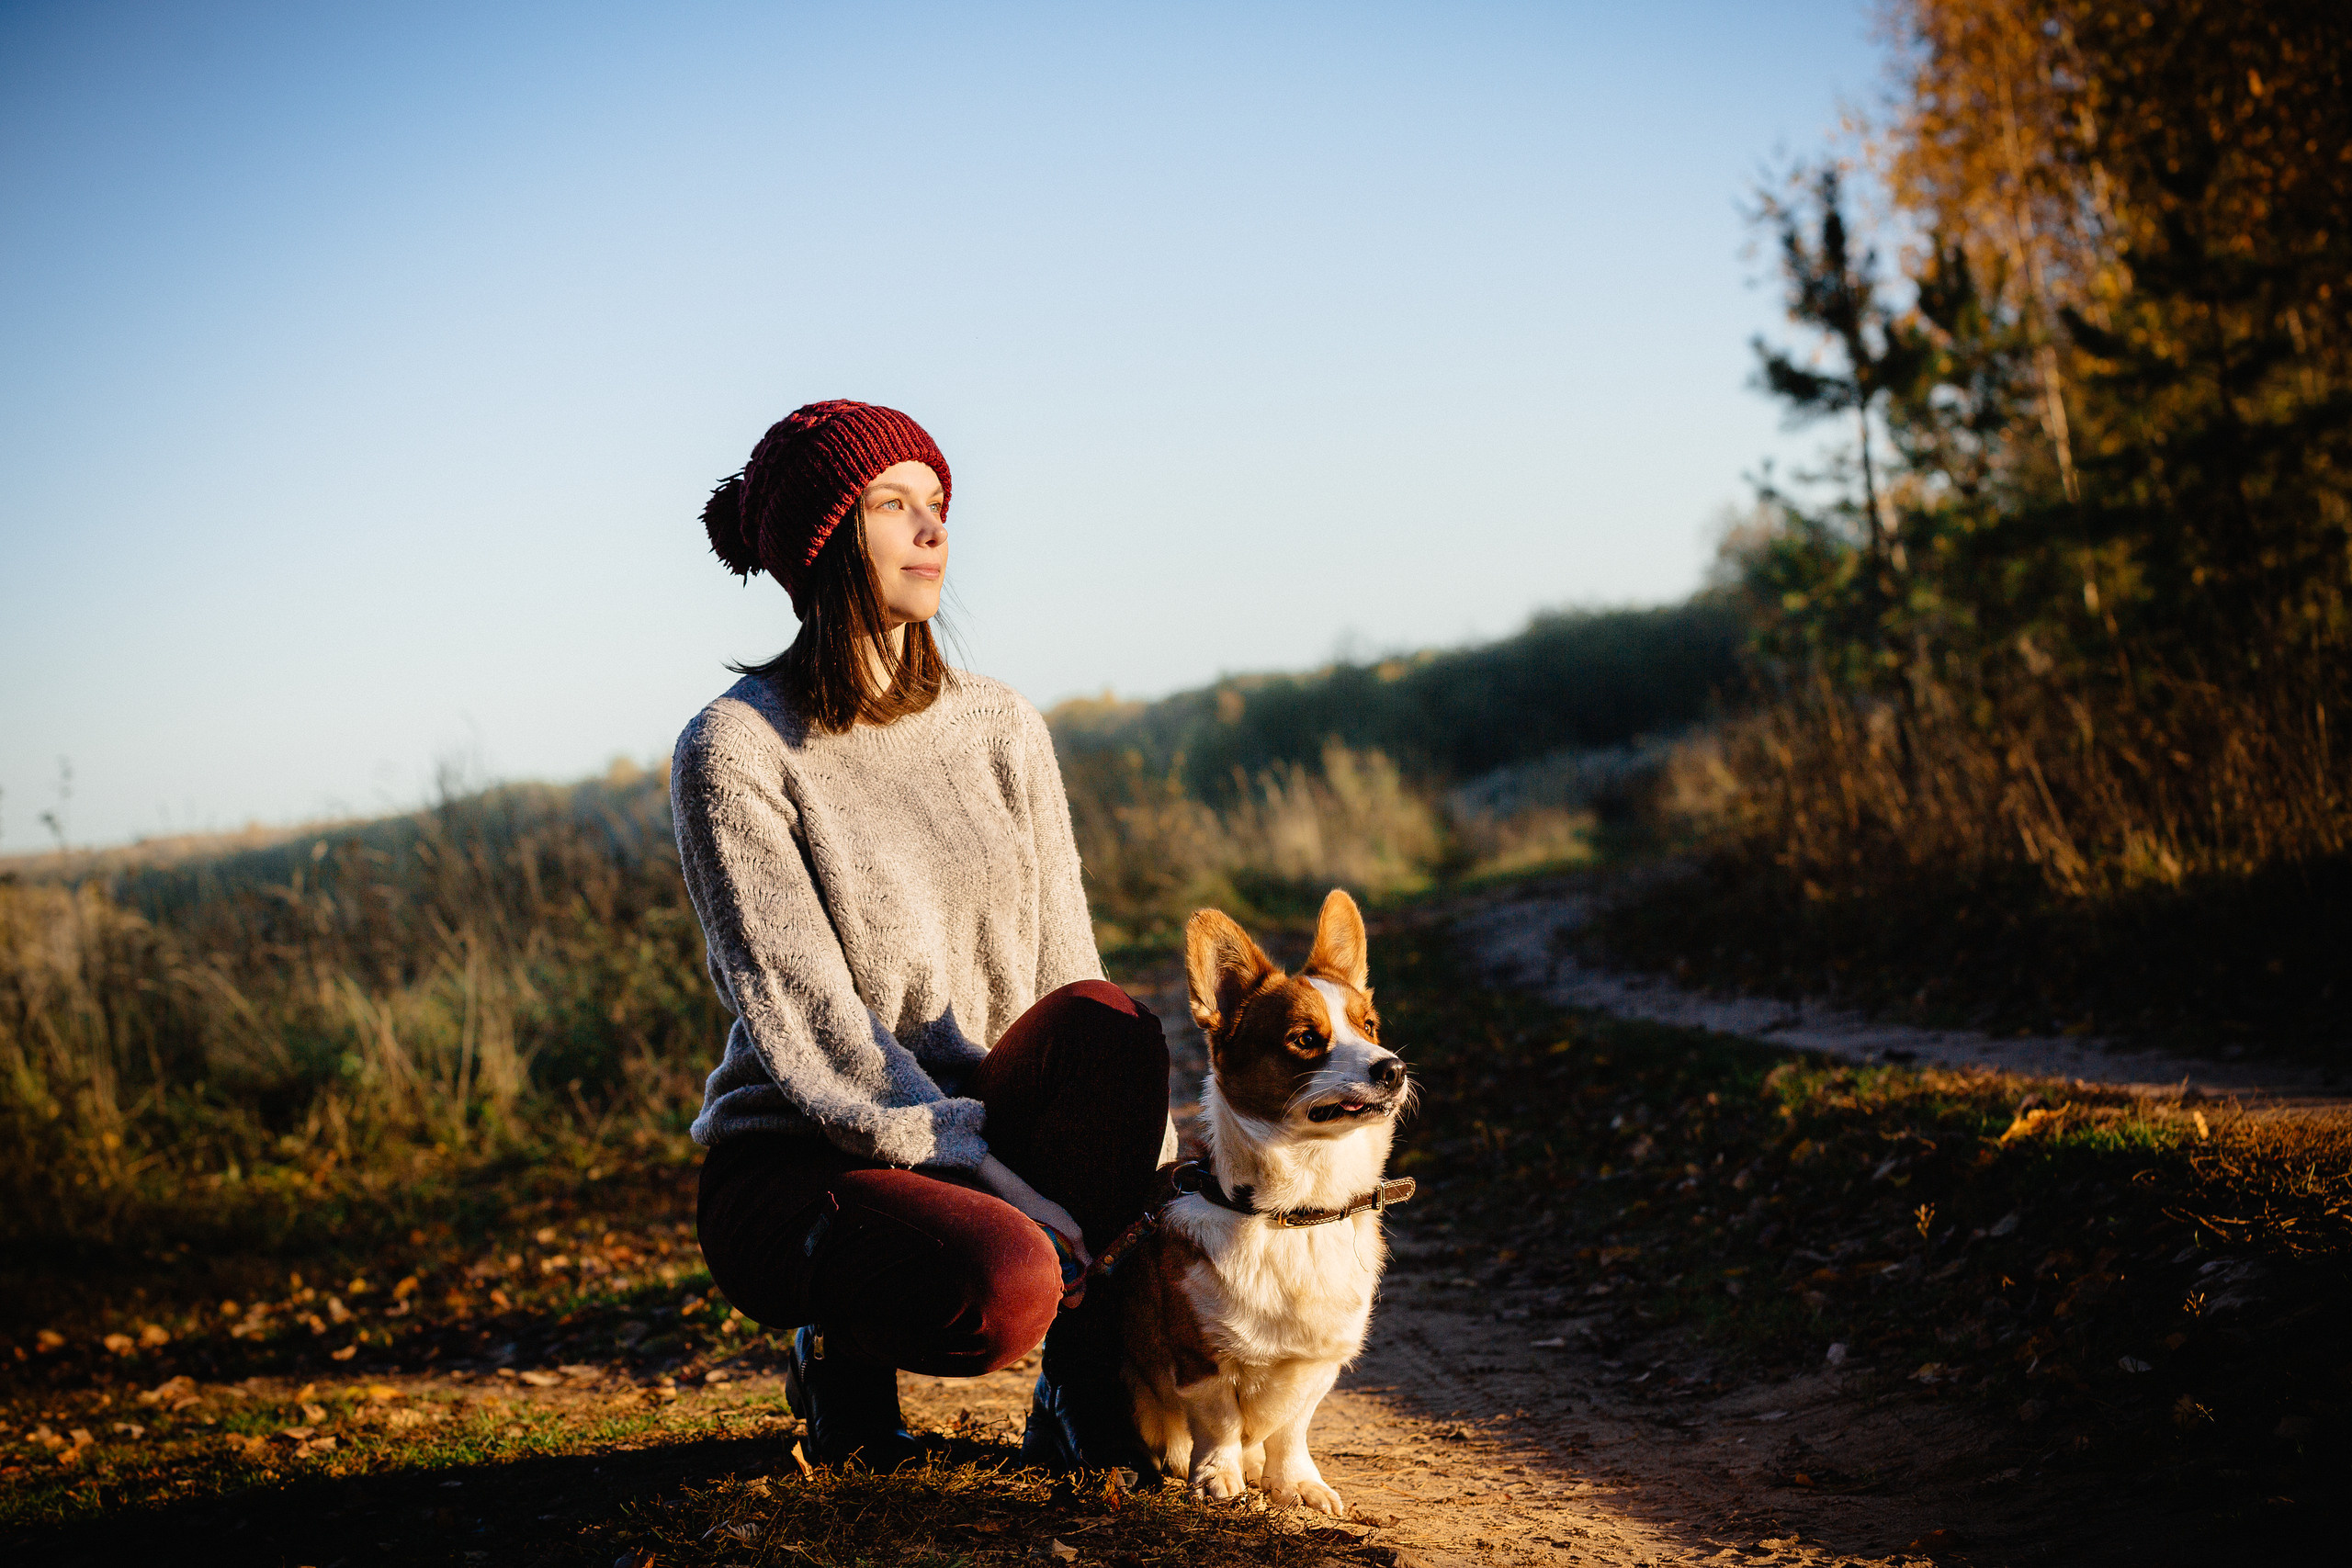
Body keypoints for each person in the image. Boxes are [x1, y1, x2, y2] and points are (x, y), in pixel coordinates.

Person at [676, 399, 1169, 1471]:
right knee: (1003, 1291)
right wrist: (996, 1177)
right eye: (894, 504)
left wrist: (1142, 1175)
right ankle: (838, 1349)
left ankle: (1081, 1393)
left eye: (937, 503)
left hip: (983, 1119)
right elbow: (814, 1025)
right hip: (806, 1155)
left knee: (1111, 1023)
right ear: (822, 542)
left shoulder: (1000, 726)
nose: (934, 529)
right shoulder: (738, 747)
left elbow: (1064, 976)